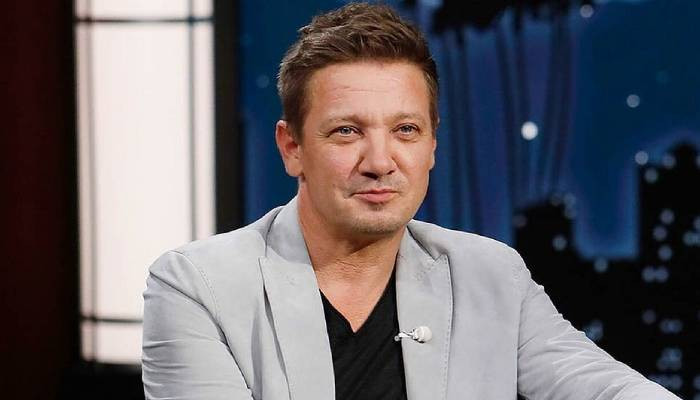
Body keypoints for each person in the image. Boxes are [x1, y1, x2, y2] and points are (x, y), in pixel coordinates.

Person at [141, 3, 680, 400]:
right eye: (347, 131)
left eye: (405, 130)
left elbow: (602, 386)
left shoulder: (490, 274)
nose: (380, 161)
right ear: (293, 148)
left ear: (432, 146)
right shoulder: (197, 287)